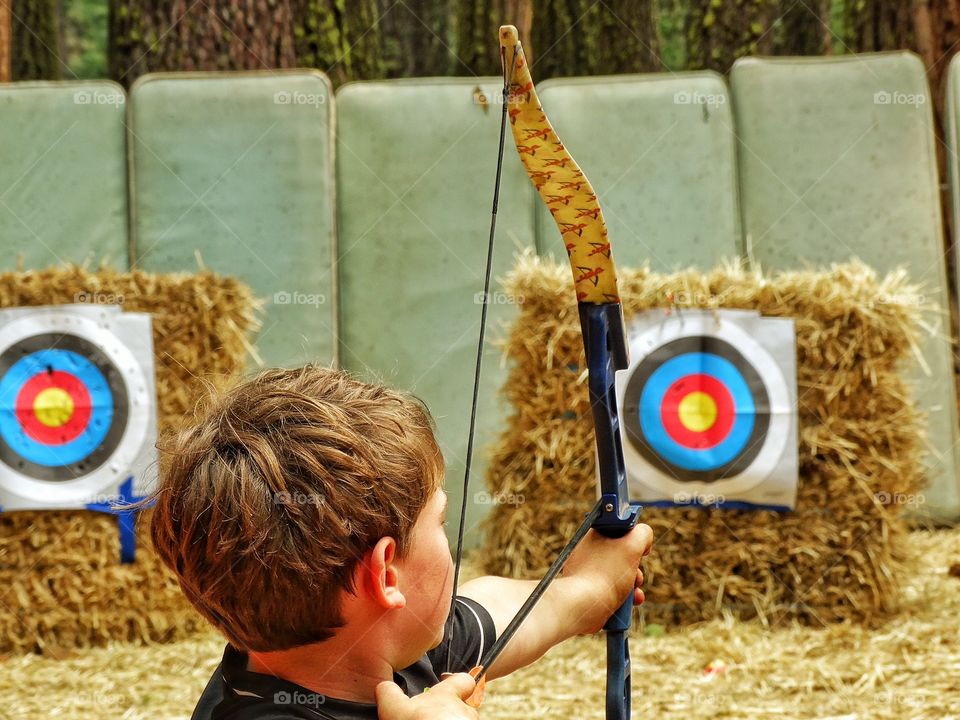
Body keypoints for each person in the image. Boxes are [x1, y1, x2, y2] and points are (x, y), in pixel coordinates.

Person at [148, 366, 653, 719]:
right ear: (386, 572)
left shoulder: (376, 645)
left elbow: (495, 613)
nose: (449, 540)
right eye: (439, 520)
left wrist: (590, 588)